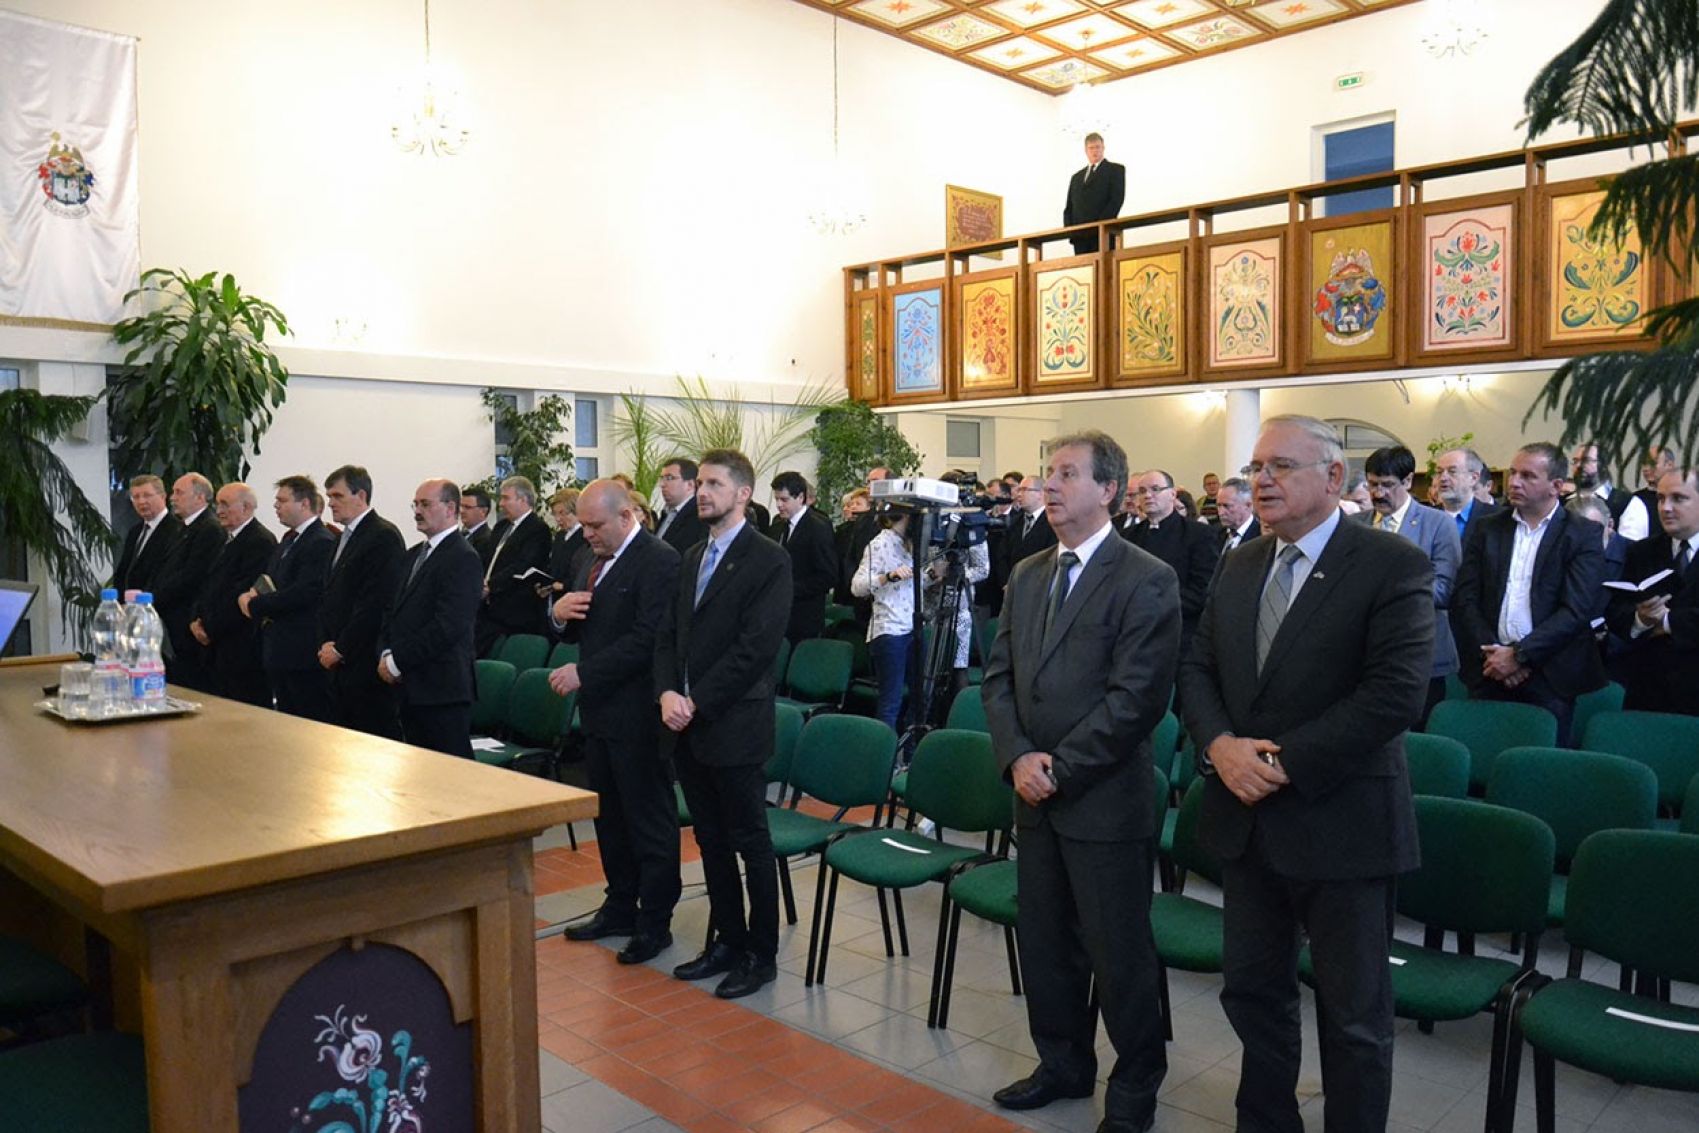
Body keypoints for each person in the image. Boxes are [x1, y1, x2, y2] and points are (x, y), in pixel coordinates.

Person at [1179, 415, 1432, 1133]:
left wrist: (1277, 762)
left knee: (1353, 1017)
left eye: (1281, 466)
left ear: (1333, 477)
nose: (1261, 480)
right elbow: (1196, 667)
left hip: (1341, 822)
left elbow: (1394, 695)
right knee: (1253, 995)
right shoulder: (1240, 562)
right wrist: (1220, 746)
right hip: (1247, 820)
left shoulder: (1389, 563)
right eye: (1256, 467)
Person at [983, 430, 1179, 1133]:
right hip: (1033, 795)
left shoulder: (1145, 576)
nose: (1051, 484)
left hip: (1102, 800)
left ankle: (1134, 1088)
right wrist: (1017, 756)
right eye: (1049, 472)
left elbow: (1136, 699)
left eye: (1068, 473)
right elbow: (998, 677)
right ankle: (1062, 1064)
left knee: (1117, 953)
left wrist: (1058, 768)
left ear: (1109, 489)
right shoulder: (1029, 570)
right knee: (1045, 943)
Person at [653, 449, 791, 1000]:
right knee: (710, 840)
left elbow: (755, 649)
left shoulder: (768, 559)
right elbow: (669, 635)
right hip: (687, 721)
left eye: (714, 483)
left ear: (743, 493)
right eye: (701, 483)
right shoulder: (692, 555)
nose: (702, 492)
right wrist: (667, 691)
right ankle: (727, 941)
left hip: (733, 721)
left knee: (749, 841)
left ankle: (761, 954)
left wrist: (695, 700)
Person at [550, 480, 683, 962]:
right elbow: (575, 628)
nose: (586, 534)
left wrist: (584, 673)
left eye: (595, 525)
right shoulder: (587, 558)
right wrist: (558, 614)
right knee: (609, 817)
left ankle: (656, 921)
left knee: (648, 819)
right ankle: (620, 904)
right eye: (583, 525)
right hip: (600, 712)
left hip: (640, 712)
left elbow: (649, 639)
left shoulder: (659, 560)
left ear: (627, 516)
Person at [1451, 443, 1607, 745]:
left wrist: (1520, 656)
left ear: (1556, 486)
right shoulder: (1487, 528)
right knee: (1482, 758)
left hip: (1550, 676)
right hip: (1489, 670)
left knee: (1539, 767)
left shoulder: (1581, 533)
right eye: (1513, 473)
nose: (1514, 482)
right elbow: (1465, 598)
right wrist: (1495, 655)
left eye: (1527, 476)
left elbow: (1576, 610)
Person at [379, 479, 485, 758]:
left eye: (425, 504)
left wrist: (398, 661)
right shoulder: (414, 554)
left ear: (450, 508)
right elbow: (392, 610)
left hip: (442, 687)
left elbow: (449, 626)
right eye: (415, 504)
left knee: (450, 772)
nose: (417, 511)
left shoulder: (463, 557)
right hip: (410, 685)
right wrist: (386, 652)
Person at [1360, 446, 1462, 720]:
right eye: (1372, 485)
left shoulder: (1438, 524)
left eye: (1387, 485)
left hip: (1420, 657)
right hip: (1365, 658)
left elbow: (1443, 591)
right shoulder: (1355, 525)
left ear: (1407, 481)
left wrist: (1383, 591)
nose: (1378, 493)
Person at [316, 465, 406, 739]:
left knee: (371, 744)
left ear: (361, 495)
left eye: (338, 496)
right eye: (329, 497)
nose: (331, 503)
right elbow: (331, 596)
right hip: (338, 663)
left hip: (364, 663)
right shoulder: (342, 538)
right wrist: (327, 643)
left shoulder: (382, 536)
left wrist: (341, 648)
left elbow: (375, 603)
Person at [240, 475, 336, 720]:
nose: (276, 506)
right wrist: (252, 593)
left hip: (302, 652)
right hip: (280, 649)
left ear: (304, 504)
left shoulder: (321, 541)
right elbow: (271, 580)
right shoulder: (289, 540)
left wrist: (255, 604)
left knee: (307, 722)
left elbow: (304, 592)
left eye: (282, 501)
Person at [1606, 466, 1699, 715]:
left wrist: (1667, 621)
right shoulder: (1642, 551)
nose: (1665, 508)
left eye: (1678, 498)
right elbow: (1616, 610)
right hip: (1648, 689)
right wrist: (1640, 619)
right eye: (1660, 498)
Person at [190, 483, 277, 707]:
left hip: (241, 646)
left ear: (246, 507)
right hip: (220, 645)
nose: (218, 510)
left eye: (225, 504)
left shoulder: (259, 540)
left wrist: (209, 628)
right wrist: (197, 619)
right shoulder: (227, 538)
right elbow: (208, 584)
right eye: (218, 504)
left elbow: (242, 593)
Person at [1129, 469, 1219, 657]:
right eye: (1142, 491)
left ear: (1172, 494)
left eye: (1155, 489)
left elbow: (1203, 589)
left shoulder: (1199, 534)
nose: (1148, 495)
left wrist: (1154, 606)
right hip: (1134, 636)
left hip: (1180, 635)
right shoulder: (1128, 537)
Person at [153, 473, 224, 691]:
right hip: (175, 618)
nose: (172, 498)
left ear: (200, 497)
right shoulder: (184, 527)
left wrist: (155, 599)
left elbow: (193, 576)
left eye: (179, 492)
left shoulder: (210, 529)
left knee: (194, 684)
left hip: (189, 618)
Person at [852, 510, 918, 733]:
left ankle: (909, 747)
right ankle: (883, 748)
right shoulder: (879, 544)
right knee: (891, 700)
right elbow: (857, 586)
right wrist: (887, 577)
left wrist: (932, 575)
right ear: (907, 516)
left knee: (920, 696)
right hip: (889, 629)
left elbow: (911, 584)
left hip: (912, 626)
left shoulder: (910, 544)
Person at [474, 475, 552, 655]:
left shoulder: (537, 529)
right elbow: (487, 559)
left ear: (523, 500)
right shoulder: (501, 527)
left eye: (505, 498)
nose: (501, 504)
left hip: (515, 610)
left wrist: (490, 585)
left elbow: (523, 565)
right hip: (489, 606)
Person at [769, 471, 839, 643]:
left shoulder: (818, 527)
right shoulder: (778, 527)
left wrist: (790, 589)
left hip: (804, 618)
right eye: (777, 499)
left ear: (800, 497)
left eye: (784, 500)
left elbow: (828, 576)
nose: (779, 505)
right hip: (778, 614)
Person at [110, 474, 181, 594]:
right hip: (129, 603)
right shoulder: (135, 531)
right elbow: (123, 572)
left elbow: (169, 576)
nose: (141, 501)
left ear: (163, 496)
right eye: (136, 497)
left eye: (147, 495)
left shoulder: (177, 530)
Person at [1062, 132, 1125, 255]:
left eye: (1097, 147)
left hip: (1102, 234)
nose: (1095, 151)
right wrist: (1070, 231)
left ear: (1103, 148)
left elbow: (1116, 200)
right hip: (1079, 238)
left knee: (1105, 266)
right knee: (1084, 268)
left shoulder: (1115, 170)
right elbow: (1069, 207)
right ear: (1086, 150)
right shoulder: (1076, 178)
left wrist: (1099, 226)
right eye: (1091, 148)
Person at [1433, 447, 1502, 547]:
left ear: (1473, 478)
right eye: (1439, 472)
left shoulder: (1496, 518)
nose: (1443, 478)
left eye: (1452, 472)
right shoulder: (1426, 518)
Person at [540, 487, 588, 610]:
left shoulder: (585, 536)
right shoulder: (560, 535)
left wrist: (564, 585)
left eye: (562, 513)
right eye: (555, 514)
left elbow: (584, 570)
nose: (558, 519)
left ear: (576, 510)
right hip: (555, 596)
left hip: (573, 597)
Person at [1621, 444, 1677, 543]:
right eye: (1644, 464)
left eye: (1652, 463)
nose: (1646, 468)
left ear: (1670, 465)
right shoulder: (1635, 500)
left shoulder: (1681, 497)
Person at [654, 458, 709, 555]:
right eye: (662, 478)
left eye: (670, 478)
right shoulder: (666, 513)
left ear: (690, 485)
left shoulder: (699, 516)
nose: (662, 484)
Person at [1215, 477, 1259, 551]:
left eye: (1227, 506)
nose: (1221, 512)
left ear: (1248, 505)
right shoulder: (1215, 533)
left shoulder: (1261, 535)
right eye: (1219, 506)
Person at [459, 488, 495, 562]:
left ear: (483, 511)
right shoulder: (460, 535)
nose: (462, 511)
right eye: (461, 506)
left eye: (467, 507)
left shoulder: (488, 540)